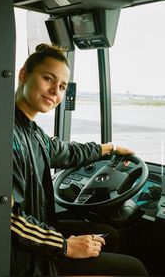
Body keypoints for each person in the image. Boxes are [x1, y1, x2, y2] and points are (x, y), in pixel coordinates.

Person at [11, 43, 148, 276]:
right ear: (23, 75)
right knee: (135, 270)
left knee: (108, 235)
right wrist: (65, 246)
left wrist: (110, 148)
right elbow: (6, 220)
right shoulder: (7, 135)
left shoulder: (31, 132)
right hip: (23, 257)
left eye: (62, 86)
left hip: (38, 235)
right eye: (48, 78)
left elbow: (65, 151)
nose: (56, 91)